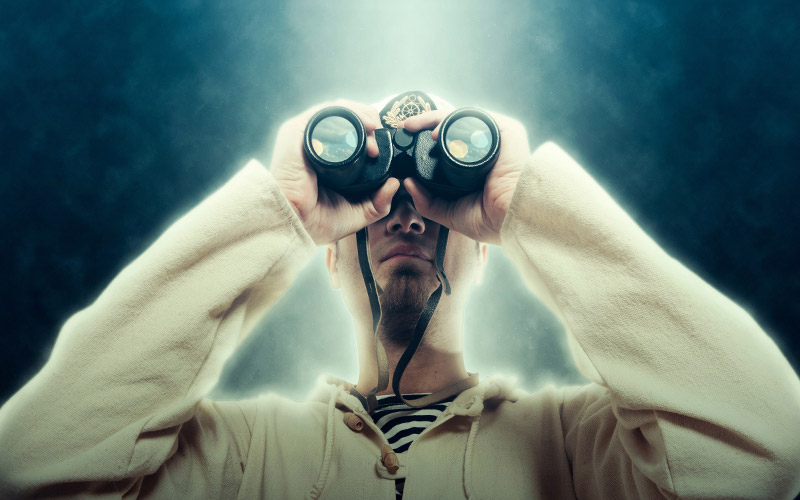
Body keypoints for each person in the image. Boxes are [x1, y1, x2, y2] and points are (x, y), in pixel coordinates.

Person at [0, 92, 799, 500]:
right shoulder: (241, 455)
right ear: (327, 260)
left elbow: (766, 449)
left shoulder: (576, 446)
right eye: (380, 210)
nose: (405, 216)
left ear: (485, 258)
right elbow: (31, 470)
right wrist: (276, 215)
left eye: (428, 209)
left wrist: (525, 204)